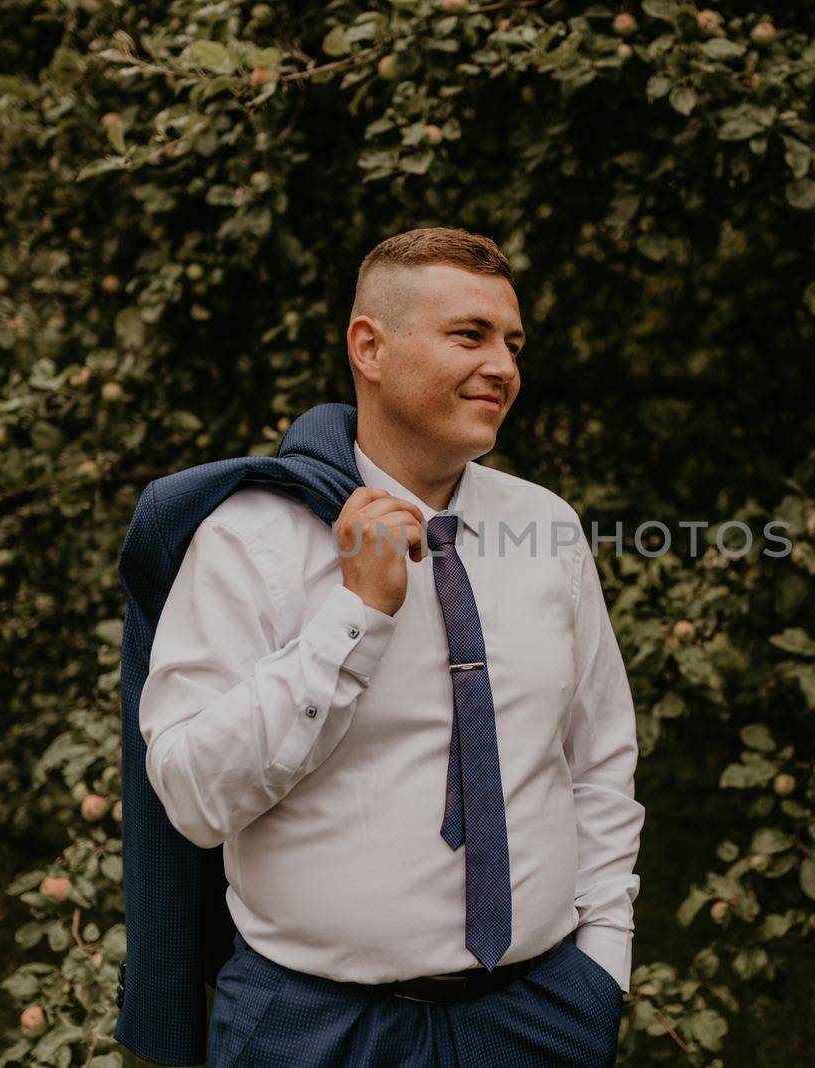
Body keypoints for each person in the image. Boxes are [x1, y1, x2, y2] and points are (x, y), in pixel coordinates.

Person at [137, 227, 645, 1066]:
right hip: (317, 1031)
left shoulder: (546, 526)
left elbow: (597, 757)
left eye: (513, 343)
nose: (504, 367)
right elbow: (192, 798)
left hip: (539, 1018)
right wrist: (354, 617)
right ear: (370, 347)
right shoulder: (251, 538)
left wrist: (602, 969)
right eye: (469, 335)